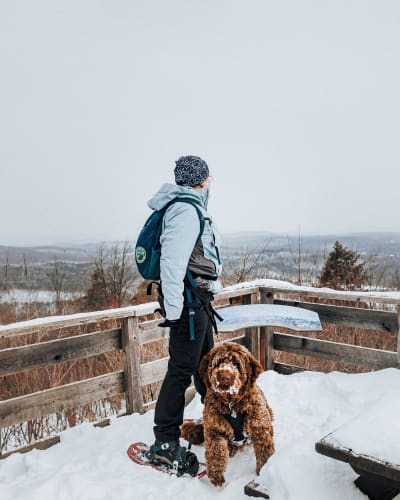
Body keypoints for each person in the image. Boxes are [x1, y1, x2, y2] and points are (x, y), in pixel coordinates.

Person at [145, 155, 223, 473]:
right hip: (187, 307)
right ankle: (164, 443)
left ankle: (217, 423)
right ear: (200, 180)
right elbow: (173, 264)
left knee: (205, 365)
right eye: (208, 177)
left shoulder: (191, 207)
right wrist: (175, 313)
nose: (211, 182)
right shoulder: (185, 210)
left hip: (197, 302)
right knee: (180, 372)